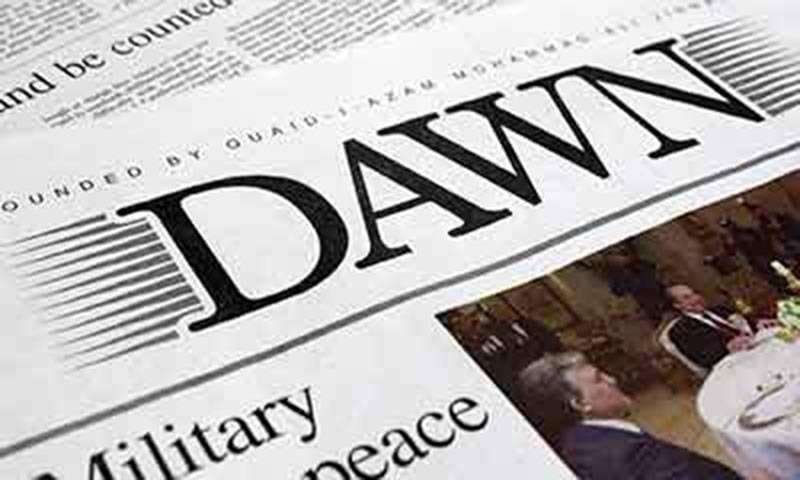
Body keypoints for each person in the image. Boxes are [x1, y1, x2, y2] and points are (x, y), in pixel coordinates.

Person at [517, 352, 743, 479]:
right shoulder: (629, 454)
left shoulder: (577, 445)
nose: (612, 379)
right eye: (598, 379)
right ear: (581, 404)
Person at [665, 285, 756, 370]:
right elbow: (703, 358)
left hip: (755, 348)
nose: (696, 299)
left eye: (695, 293)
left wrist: (757, 324)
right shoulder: (680, 330)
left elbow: (748, 322)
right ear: (677, 305)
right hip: (733, 366)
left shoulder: (719, 309)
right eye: (687, 298)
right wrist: (727, 347)